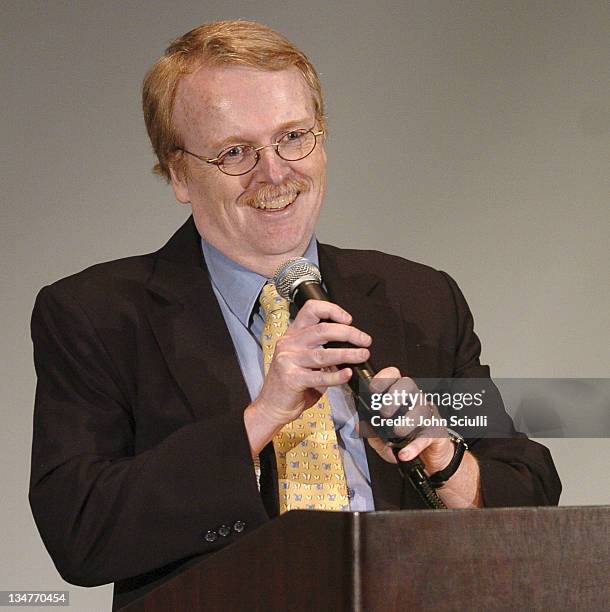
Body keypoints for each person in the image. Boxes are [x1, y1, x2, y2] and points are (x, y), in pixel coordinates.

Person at [29, 20, 561, 609]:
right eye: (236, 152)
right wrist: (260, 419)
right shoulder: (97, 315)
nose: (275, 172)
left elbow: (528, 485)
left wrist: (443, 457)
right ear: (179, 173)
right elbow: (79, 531)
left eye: (293, 137)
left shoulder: (419, 297)